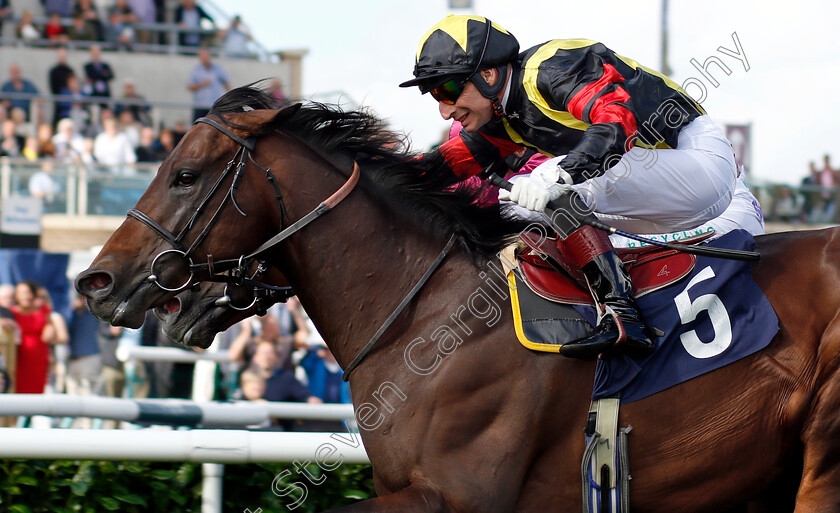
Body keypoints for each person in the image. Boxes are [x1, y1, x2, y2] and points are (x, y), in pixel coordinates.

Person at [401, 16, 750, 359]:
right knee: (517, 204)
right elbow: (441, 168)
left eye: (447, 90)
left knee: (545, 181)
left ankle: (621, 314)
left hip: (700, 164)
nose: (445, 111)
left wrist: (560, 177)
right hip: (662, 192)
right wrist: (366, 173)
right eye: (434, 95)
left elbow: (616, 119)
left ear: (488, 74)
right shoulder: (503, 120)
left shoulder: (550, 68)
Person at [10, 281, 63, 394]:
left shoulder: (42, 310)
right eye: (21, 293)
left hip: (38, 356)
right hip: (18, 357)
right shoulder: (11, 312)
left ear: (33, 294)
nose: (25, 296)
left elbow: (50, 327)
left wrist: (50, 329)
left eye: (27, 292)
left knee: (37, 387)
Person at [187, 48, 230, 121]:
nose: (205, 59)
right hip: (200, 105)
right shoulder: (196, 71)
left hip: (214, 106)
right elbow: (190, 87)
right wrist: (202, 84)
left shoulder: (218, 69)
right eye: (203, 57)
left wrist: (228, 98)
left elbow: (226, 83)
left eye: (206, 57)